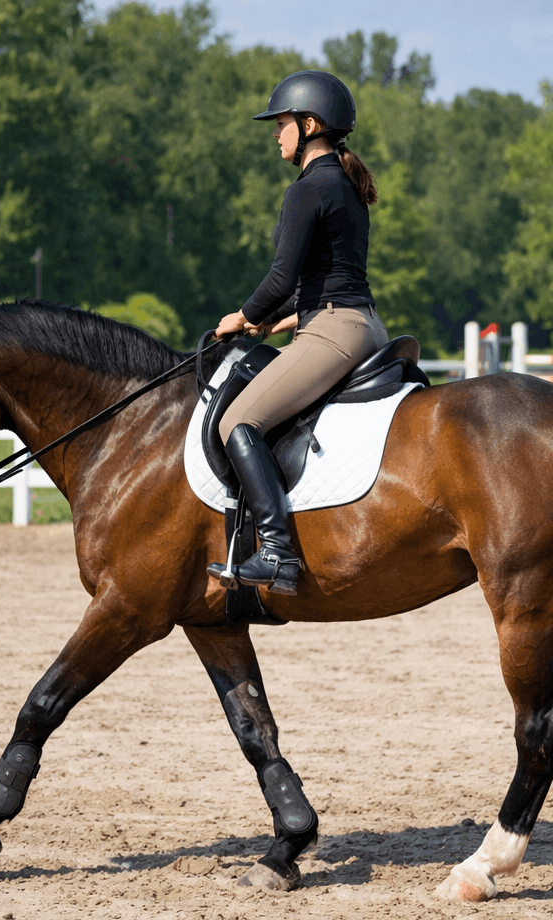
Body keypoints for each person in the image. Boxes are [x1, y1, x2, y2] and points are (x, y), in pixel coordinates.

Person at [207, 70, 388, 597]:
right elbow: (320, 277)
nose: (276, 133)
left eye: (282, 123)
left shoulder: (308, 189)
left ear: (310, 125)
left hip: (333, 329)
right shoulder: (345, 185)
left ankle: (277, 552)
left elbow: (282, 277)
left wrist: (242, 317)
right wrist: (279, 316)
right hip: (360, 323)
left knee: (238, 421)